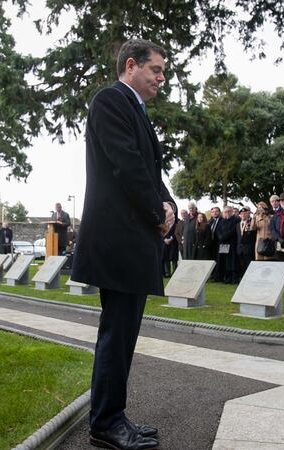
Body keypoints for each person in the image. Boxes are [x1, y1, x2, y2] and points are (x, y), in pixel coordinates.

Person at [71, 38, 175, 450]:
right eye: (156, 70)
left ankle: (113, 415)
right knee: (116, 335)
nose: (162, 79)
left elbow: (149, 169)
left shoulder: (134, 107)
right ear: (131, 66)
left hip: (132, 239)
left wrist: (169, 206)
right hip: (120, 239)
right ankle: (106, 423)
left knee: (123, 334)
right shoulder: (111, 101)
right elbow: (127, 164)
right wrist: (157, 212)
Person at [215, 205, 239, 284]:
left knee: (233, 262)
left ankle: (234, 279)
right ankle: (227, 278)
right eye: (225, 212)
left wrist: (224, 237)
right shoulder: (222, 221)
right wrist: (221, 237)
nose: (227, 213)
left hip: (232, 244)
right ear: (223, 213)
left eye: (229, 211)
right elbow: (218, 231)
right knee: (225, 262)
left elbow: (233, 231)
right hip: (223, 244)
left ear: (232, 212)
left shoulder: (236, 220)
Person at [236, 207, 255, 280]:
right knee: (241, 265)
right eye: (241, 213)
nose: (243, 215)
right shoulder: (238, 224)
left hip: (248, 248)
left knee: (248, 264)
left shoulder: (251, 223)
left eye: (245, 213)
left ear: (248, 214)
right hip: (240, 248)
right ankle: (242, 278)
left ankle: (249, 279)